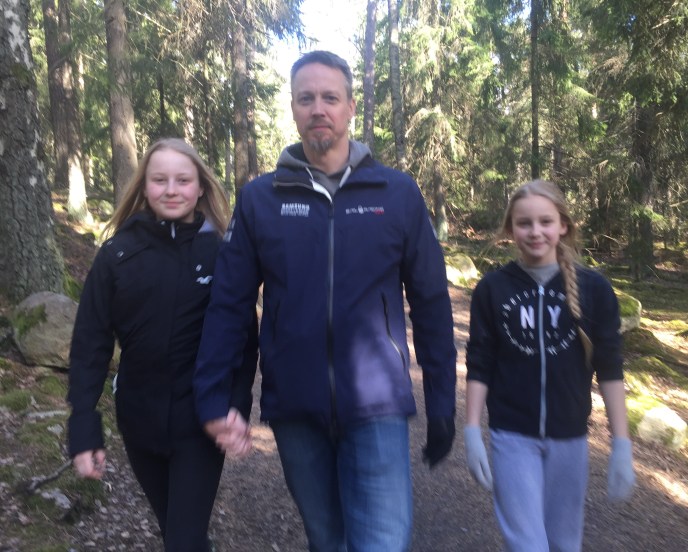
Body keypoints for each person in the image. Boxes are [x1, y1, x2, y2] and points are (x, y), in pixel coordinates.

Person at [194, 50, 457, 552]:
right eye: (306, 98)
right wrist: (215, 398)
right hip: (294, 405)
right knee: (328, 540)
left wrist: (442, 400)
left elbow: (430, 301)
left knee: (383, 542)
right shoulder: (260, 199)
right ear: (293, 108)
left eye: (330, 98)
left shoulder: (397, 193)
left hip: (378, 404)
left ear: (350, 107)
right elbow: (229, 305)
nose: (319, 108)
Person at [67, 138, 258, 552]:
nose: (172, 190)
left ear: (201, 187)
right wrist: (83, 424)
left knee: (183, 540)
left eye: (183, 180)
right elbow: (90, 342)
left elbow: (244, 341)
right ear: (144, 186)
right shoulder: (116, 254)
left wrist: (236, 406)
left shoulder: (223, 253)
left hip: (199, 422)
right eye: (160, 180)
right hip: (138, 421)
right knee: (176, 530)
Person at [463, 179, 635, 552]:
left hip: (570, 439)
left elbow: (609, 367)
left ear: (563, 226)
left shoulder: (594, 290)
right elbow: (480, 360)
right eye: (524, 223)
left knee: (563, 543)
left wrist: (621, 441)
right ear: (510, 229)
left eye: (545, 221)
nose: (535, 231)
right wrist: (472, 428)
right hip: (512, 436)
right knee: (528, 545)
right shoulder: (492, 289)